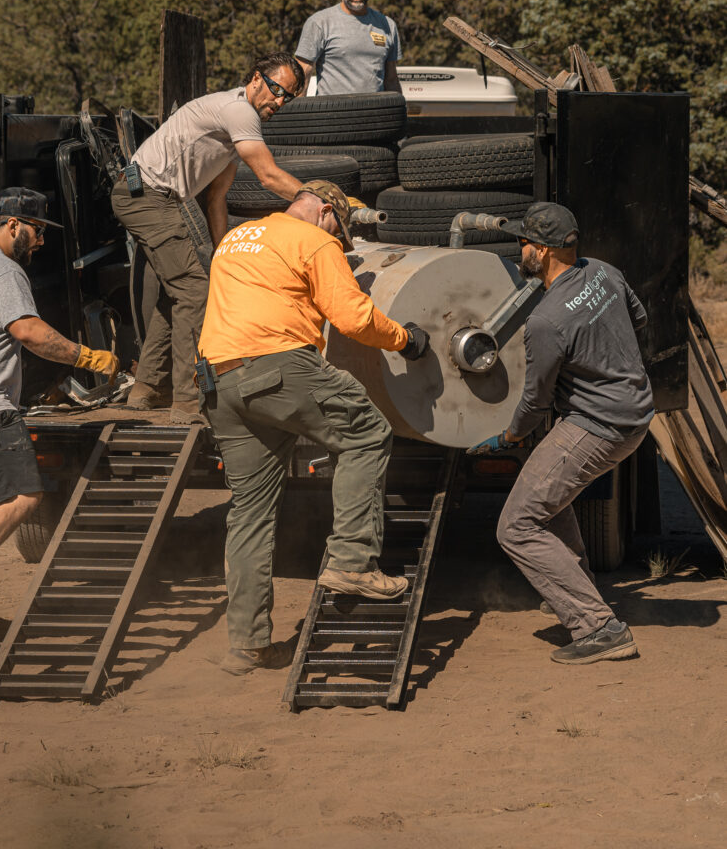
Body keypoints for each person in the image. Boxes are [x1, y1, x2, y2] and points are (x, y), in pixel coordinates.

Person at [197, 180, 430, 675]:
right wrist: (406, 341)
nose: (338, 242)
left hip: (220, 380)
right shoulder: (314, 239)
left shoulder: (237, 239)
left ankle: (248, 643)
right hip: (279, 365)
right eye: (339, 232)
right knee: (367, 433)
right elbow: (352, 317)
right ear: (326, 212)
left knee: (250, 512)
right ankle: (352, 562)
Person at [0, 188, 119, 650]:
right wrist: (88, 357)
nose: (41, 241)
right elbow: (27, 331)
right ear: (12, 225)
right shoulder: (1, 267)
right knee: (25, 495)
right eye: (38, 231)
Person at [468, 202, 653, 665]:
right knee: (546, 502)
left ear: (545, 251)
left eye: (524, 244)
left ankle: (599, 628)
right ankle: (577, 593)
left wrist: (510, 436)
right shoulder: (605, 272)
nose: (520, 251)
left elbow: (536, 401)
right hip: (632, 410)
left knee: (515, 526)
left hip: (597, 425)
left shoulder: (546, 320)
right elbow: (641, 321)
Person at [112, 52, 306, 424]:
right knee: (195, 292)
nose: (279, 102)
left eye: (288, 97)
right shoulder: (239, 112)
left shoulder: (231, 135)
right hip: (145, 196)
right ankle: (187, 403)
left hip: (152, 197)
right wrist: (317, 198)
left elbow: (217, 199)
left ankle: (147, 389)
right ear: (255, 79)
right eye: (277, 90)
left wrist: (221, 253)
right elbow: (267, 175)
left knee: (179, 292)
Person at [295, 0, 402, 96]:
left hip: (375, 116)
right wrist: (295, 116)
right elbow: (302, 76)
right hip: (332, 116)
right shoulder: (319, 23)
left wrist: (400, 114)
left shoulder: (387, 25)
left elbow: (391, 80)